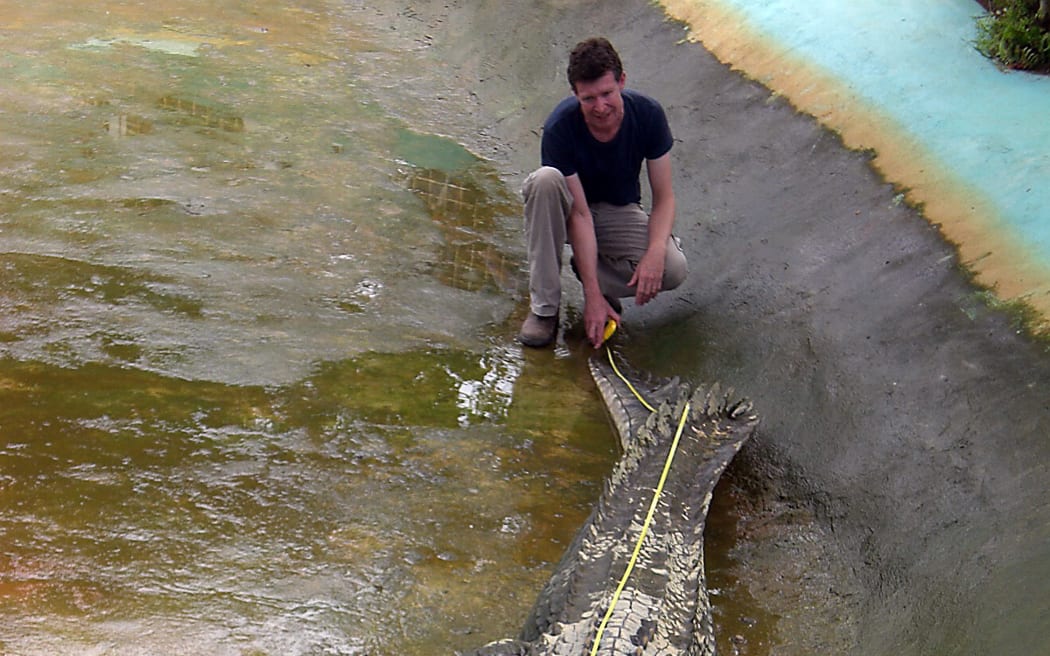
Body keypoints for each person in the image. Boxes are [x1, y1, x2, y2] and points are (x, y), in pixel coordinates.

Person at [518, 37, 687, 349]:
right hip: (566, 211)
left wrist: (654, 250)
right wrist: (592, 299)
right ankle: (544, 309)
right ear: (575, 94)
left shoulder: (648, 115)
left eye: (607, 93)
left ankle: (588, 272)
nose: (600, 107)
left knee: (673, 268)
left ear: (621, 82)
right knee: (544, 180)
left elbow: (664, 199)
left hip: (615, 210)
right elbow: (580, 215)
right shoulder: (560, 127)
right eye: (588, 98)